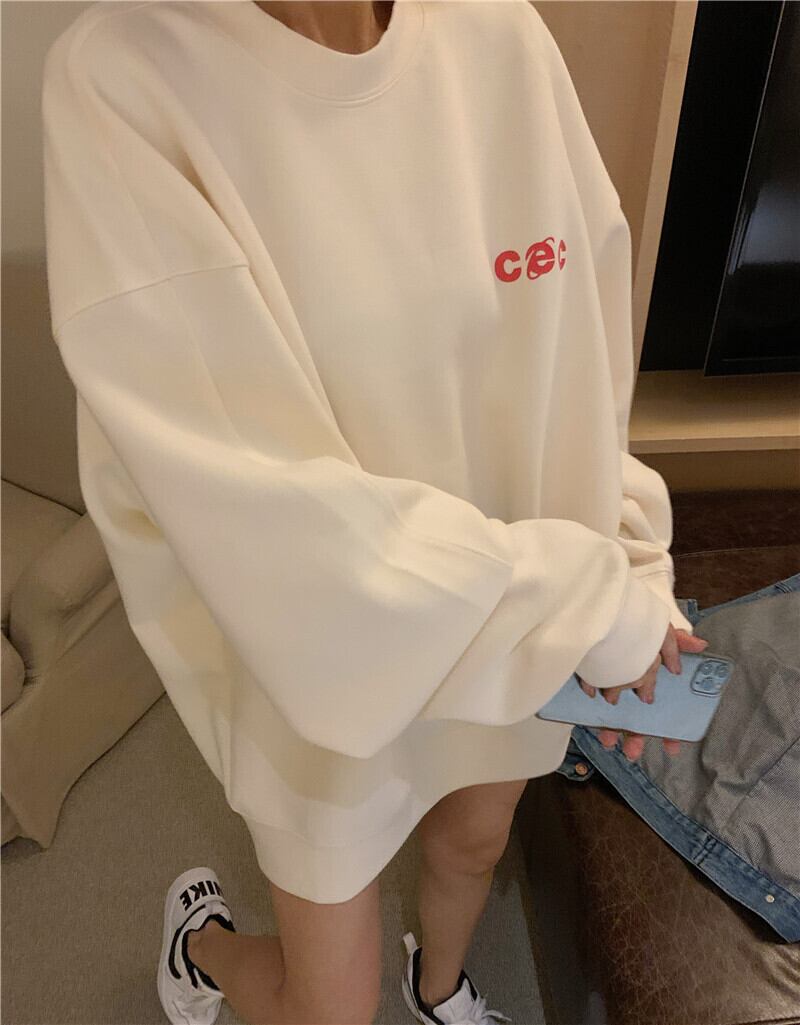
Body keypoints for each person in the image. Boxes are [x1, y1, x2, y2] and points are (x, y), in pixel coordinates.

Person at [40, 2, 709, 1023]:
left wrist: (630, 567)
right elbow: (270, 518)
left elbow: (581, 359)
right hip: (319, 660)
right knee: (330, 1010)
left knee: (472, 842)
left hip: (519, 626)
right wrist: (591, 605)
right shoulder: (123, 81)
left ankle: (437, 989)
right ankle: (201, 944)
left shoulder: (498, 35)